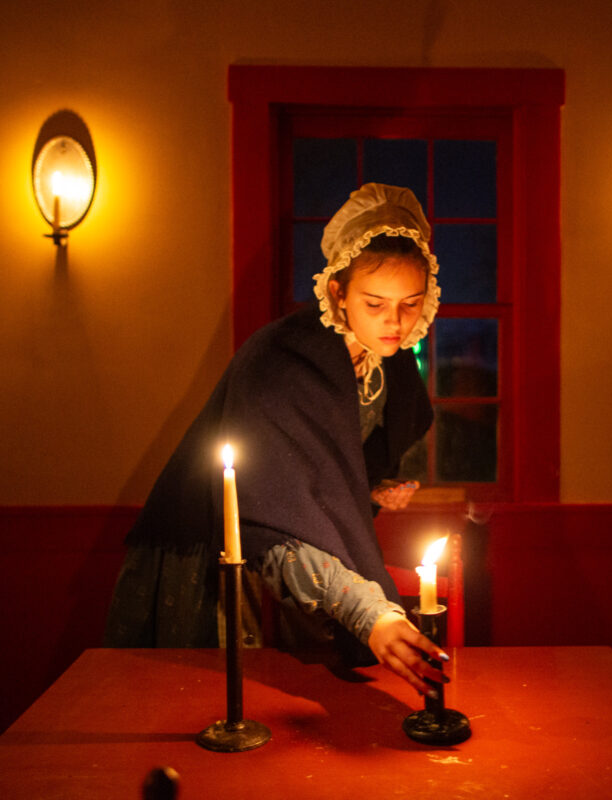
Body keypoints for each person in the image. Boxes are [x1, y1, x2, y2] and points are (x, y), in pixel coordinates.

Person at [104, 183, 447, 696]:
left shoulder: (388, 364)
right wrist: (368, 612)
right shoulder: (283, 363)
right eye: (375, 303)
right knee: (225, 711)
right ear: (338, 291)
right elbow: (273, 511)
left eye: (410, 304)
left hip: (297, 561)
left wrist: (370, 489)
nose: (395, 323)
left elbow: (320, 473)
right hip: (219, 556)